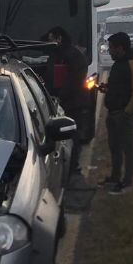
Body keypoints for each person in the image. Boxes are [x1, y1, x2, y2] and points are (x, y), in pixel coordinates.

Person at [98, 32, 133, 195]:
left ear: (120, 48)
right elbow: (119, 87)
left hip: (124, 115)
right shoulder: (118, 63)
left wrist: (127, 114)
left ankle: (127, 183)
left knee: (127, 148)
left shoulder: (132, 63)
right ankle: (115, 177)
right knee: (115, 147)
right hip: (113, 113)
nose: (109, 51)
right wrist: (105, 88)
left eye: (111, 48)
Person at [45, 27, 89, 176]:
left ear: (59, 38)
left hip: (73, 103)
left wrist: (60, 96)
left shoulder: (73, 55)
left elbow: (74, 80)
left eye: (51, 39)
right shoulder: (57, 54)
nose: (49, 43)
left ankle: (73, 167)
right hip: (61, 101)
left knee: (73, 134)